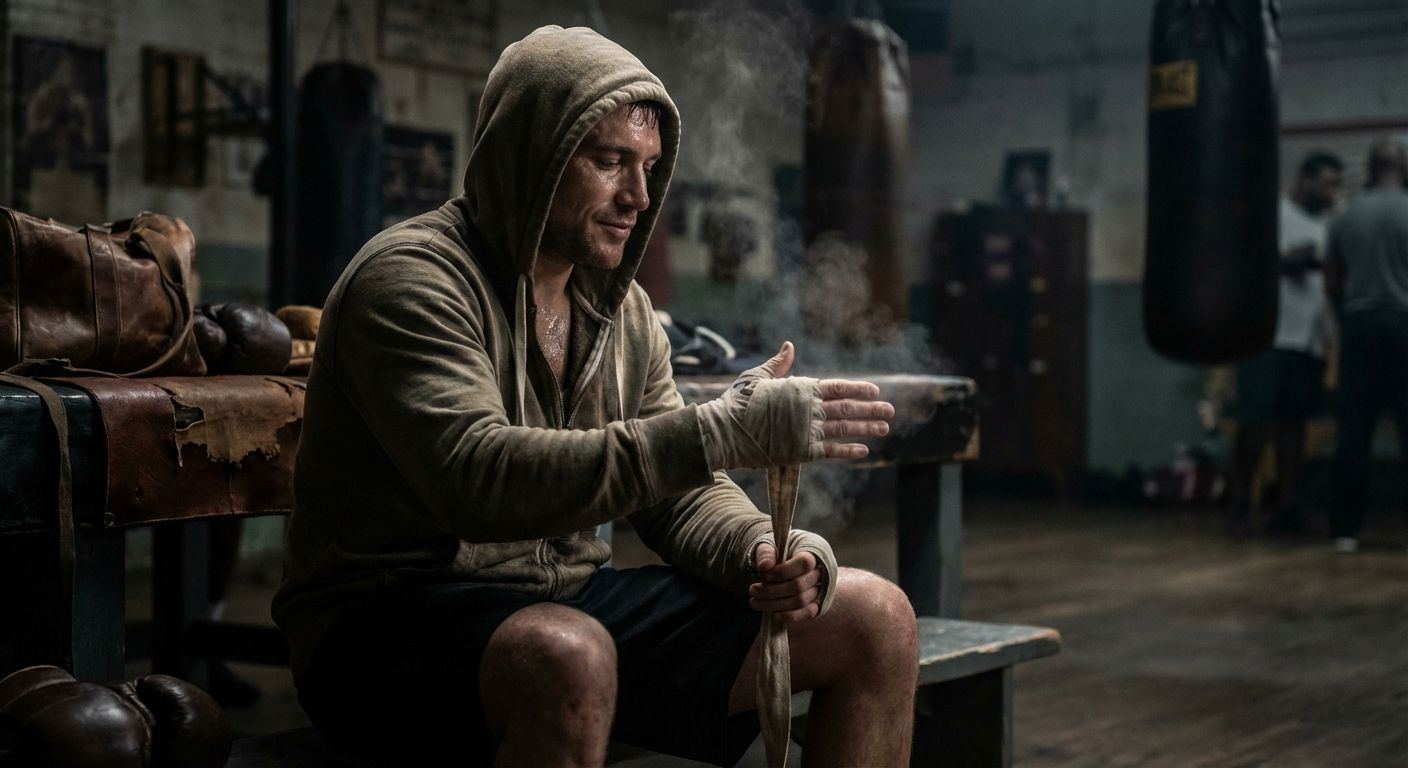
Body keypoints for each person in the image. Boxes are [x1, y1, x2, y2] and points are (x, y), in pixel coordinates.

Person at [273, 26, 917, 767]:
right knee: (565, 655)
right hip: (386, 618)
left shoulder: (623, 311)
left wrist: (767, 551)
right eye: (610, 161)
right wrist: (716, 432)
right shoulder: (412, 279)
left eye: (647, 167)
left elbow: (677, 496)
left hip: (567, 603)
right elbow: (476, 479)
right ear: (531, 155)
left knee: (874, 618)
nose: (639, 197)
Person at [1229, 152, 1343, 536]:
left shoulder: (1330, 223)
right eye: (1327, 183)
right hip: (1269, 334)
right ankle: (1242, 503)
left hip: (1309, 338)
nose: (1332, 192)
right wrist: (1290, 260)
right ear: (1305, 180)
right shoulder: (1273, 212)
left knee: (1295, 426)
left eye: (1336, 185)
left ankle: (1286, 505)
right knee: (1255, 420)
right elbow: (1248, 263)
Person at [1325, 138, 1408, 553]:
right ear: (1404, 168)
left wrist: (1350, 316)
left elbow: (1332, 281)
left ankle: (1345, 531)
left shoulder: (1346, 215)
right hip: (1404, 324)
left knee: (1354, 431)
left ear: (1372, 170)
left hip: (1359, 325)